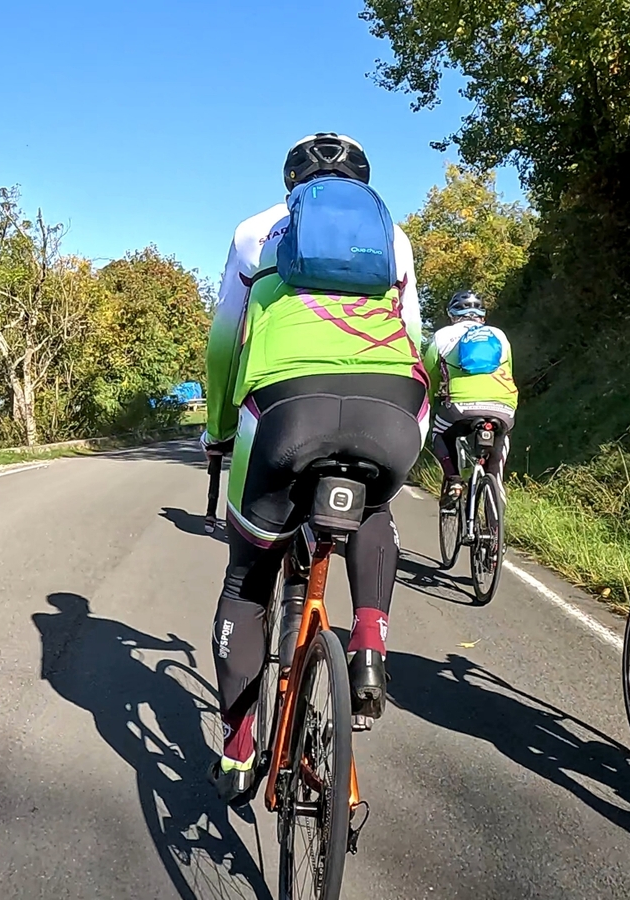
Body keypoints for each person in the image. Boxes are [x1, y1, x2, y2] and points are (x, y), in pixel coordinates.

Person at [201, 132, 429, 803]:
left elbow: (223, 344)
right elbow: (415, 335)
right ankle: (369, 639)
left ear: (291, 183)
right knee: (373, 507)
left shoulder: (255, 232)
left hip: (286, 407)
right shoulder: (394, 237)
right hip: (393, 405)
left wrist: (218, 430)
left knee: (247, 579)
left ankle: (239, 749)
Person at [426, 290, 518, 506]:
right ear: (482, 316)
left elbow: (429, 377)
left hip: (460, 407)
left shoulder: (442, 336)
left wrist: (427, 406)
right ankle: (495, 490)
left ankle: (454, 480)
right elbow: (509, 371)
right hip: (503, 406)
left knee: (439, 433)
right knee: (501, 438)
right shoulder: (499, 335)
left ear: (452, 315)